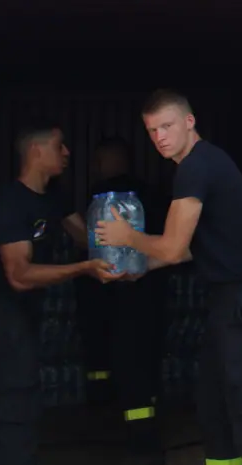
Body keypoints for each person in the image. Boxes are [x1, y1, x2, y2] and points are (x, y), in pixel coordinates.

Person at [96, 89, 242, 465]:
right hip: (230, 302)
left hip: (240, 301)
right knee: (213, 405)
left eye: (167, 125)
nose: (159, 136)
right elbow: (195, 247)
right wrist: (139, 267)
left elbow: (174, 248)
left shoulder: (196, 166)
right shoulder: (202, 163)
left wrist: (127, 238)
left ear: (189, 122)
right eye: (152, 130)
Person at [0, 121, 117, 465]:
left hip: (26, 313)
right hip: (2, 314)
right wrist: (83, 269)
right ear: (36, 151)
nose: (67, 153)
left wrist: (129, 237)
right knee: (16, 397)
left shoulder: (54, 197)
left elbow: (86, 239)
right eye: (60, 146)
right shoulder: (10, 202)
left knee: (21, 394)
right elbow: (20, 275)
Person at [75, 137, 170, 464]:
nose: (95, 168)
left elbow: (94, 247)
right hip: (153, 293)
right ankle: (147, 434)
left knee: (129, 367)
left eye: (99, 160)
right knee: (147, 361)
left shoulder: (104, 199)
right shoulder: (151, 195)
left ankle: (139, 442)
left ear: (110, 161)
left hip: (121, 296)